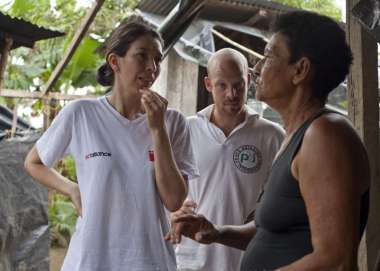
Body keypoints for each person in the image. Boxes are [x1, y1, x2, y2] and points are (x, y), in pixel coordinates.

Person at [169, 10, 370, 271]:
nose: (258, 66)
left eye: (269, 55)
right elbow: (274, 233)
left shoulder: (326, 136)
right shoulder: (296, 136)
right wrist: (218, 232)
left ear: (300, 70)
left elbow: (337, 259)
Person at [24, 16, 199, 271]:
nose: (152, 67)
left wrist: (158, 130)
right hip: (90, 261)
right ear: (114, 61)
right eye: (142, 56)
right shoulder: (81, 113)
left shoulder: (172, 122)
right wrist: (72, 189)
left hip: (150, 262)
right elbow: (33, 163)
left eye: (157, 59)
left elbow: (173, 200)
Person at [167, 48, 284, 271]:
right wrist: (172, 210)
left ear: (248, 80)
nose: (231, 94)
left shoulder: (273, 136)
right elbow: (161, 190)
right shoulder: (186, 130)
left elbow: (280, 203)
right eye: (222, 85)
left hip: (247, 260)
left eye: (238, 84)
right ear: (208, 84)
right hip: (189, 261)